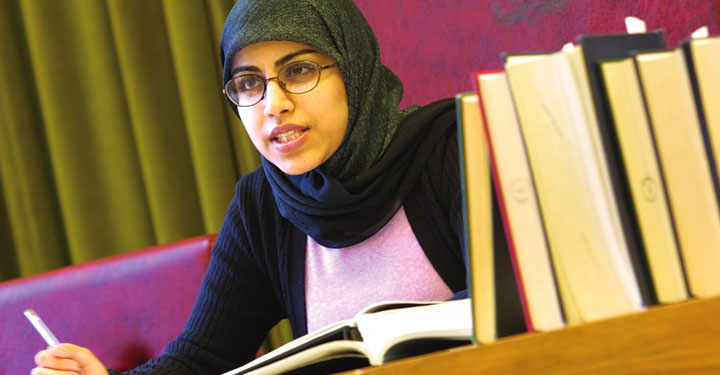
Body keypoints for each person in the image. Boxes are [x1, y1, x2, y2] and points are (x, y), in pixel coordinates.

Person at [31, 0, 470, 373]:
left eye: (298, 71)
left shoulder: (453, 150)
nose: (273, 105)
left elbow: (517, 308)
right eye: (248, 84)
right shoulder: (263, 205)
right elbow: (201, 359)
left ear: (353, 69)